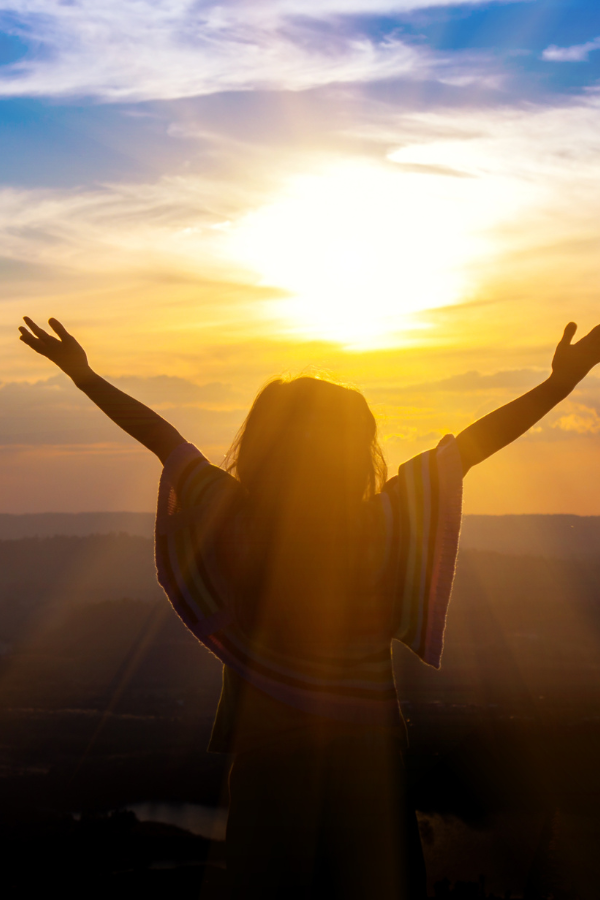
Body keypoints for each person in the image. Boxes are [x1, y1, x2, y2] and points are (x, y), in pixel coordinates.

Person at [18, 315, 600, 899]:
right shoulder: (381, 525)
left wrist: (85, 376)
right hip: (368, 762)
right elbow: (470, 447)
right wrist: (557, 386)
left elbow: (164, 439)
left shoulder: (237, 522)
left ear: (263, 447)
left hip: (268, 763)